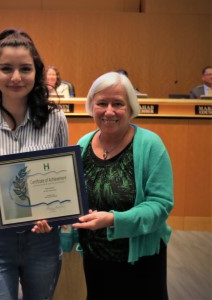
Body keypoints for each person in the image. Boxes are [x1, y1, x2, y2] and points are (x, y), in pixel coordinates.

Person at [0, 28, 69, 300]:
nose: (16, 77)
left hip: (42, 240)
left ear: (37, 73)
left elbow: (63, 182)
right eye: (6, 68)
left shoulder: (56, 120)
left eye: (25, 69)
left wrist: (53, 217)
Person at [72, 72, 174, 300]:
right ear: (91, 106)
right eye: (101, 103)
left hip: (139, 261)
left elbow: (161, 204)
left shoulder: (150, 145)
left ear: (130, 107)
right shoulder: (83, 144)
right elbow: (73, 200)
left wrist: (114, 220)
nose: (109, 111)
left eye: (118, 103)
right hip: (95, 259)